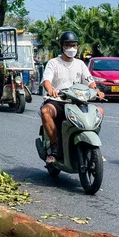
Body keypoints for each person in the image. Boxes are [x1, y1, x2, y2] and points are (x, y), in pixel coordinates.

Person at [40, 31, 105, 163]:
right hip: (58, 100)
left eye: (74, 45)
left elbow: (89, 80)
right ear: (62, 46)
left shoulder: (80, 64)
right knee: (45, 111)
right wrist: (50, 89)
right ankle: (55, 147)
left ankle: (93, 147)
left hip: (77, 101)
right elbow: (46, 80)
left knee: (100, 111)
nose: (71, 48)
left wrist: (96, 90)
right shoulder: (53, 63)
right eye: (68, 45)